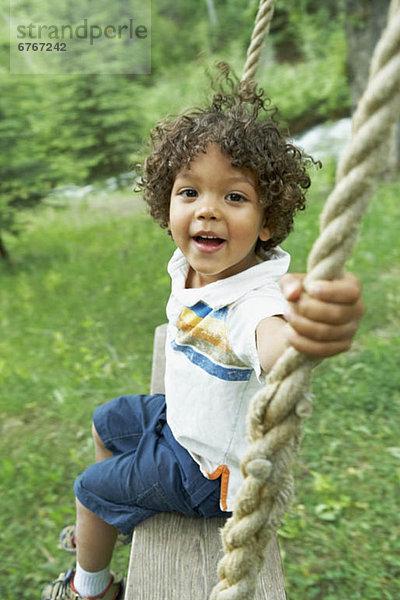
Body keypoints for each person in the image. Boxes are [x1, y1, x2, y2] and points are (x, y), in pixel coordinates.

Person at [41, 70, 364, 600]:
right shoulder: (188, 263)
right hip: (182, 422)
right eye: (189, 191)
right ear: (167, 204)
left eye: (234, 197)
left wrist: (306, 334)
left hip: (209, 471)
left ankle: (90, 585)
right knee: (106, 422)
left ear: (266, 222)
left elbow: (271, 339)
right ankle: (119, 515)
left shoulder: (251, 302)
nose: (207, 208)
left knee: (88, 488)